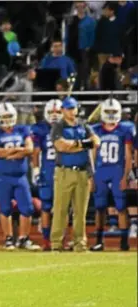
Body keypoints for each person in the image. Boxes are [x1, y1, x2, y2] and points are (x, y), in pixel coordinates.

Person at [0, 103, 40, 251]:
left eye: (9, 116)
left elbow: (29, 149)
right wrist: (18, 150)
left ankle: (23, 238)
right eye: (4, 116)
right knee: (5, 208)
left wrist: (11, 151)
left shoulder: (23, 129)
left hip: (20, 176)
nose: (8, 119)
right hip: (3, 176)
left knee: (27, 208)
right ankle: (8, 239)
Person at [50, 96, 100, 252]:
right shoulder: (58, 126)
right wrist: (82, 144)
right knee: (60, 210)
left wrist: (75, 145)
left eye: (74, 108)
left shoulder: (83, 126)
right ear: (63, 110)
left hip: (82, 172)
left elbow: (96, 141)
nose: (72, 111)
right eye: (69, 108)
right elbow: (61, 146)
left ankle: (80, 243)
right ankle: (56, 243)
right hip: (64, 171)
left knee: (80, 211)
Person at [90, 99, 135, 251]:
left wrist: (126, 175)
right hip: (101, 170)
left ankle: (124, 242)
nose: (110, 115)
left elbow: (128, 155)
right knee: (100, 207)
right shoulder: (96, 130)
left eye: (113, 112)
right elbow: (93, 155)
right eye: (108, 112)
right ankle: (98, 240)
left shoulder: (125, 129)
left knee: (121, 207)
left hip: (117, 170)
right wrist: (91, 176)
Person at [31, 99, 63, 250]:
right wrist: (36, 170)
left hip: (64, 170)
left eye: (58, 112)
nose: (55, 115)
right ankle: (46, 240)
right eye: (51, 112)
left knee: (63, 207)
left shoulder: (68, 128)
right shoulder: (41, 129)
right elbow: (36, 152)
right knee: (46, 206)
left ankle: (59, 238)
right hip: (48, 170)